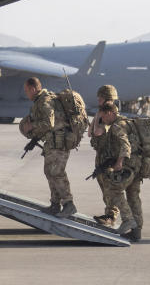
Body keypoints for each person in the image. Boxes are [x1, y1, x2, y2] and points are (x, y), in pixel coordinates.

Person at [21, 77, 76, 217]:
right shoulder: (40, 101)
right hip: (52, 142)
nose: (26, 93)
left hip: (60, 142)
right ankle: (55, 204)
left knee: (57, 172)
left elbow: (49, 124)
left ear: (33, 89)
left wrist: (31, 126)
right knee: (49, 171)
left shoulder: (45, 101)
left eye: (27, 90)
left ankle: (69, 204)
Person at [97, 101, 140, 237]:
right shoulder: (127, 122)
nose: (103, 120)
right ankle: (136, 232)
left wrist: (119, 162)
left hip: (128, 166)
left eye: (103, 117)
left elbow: (125, 145)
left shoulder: (117, 126)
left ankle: (128, 220)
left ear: (109, 113)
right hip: (138, 165)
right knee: (133, 198)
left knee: (113, 189)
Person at [89, 84, 121, 226]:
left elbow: (96, 133)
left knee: (109, 187)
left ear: (105, 98)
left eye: (99, 97)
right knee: (105, 188)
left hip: (108, 157)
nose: (98, 100)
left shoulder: (107, 113)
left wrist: (97, 118)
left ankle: (111, 216)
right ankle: (109, 214)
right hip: (103, 155)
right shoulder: (103, 112)